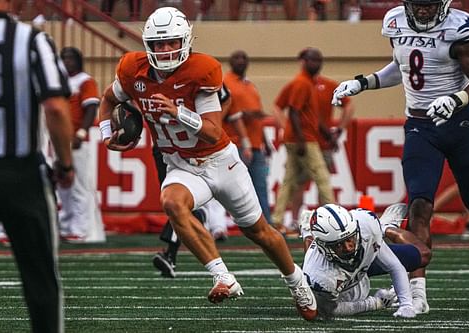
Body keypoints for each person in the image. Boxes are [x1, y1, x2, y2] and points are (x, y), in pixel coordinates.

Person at [98, 7, 317, 320]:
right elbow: (108, 99)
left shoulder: (201, 69)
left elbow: (214, 129)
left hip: (220, 161)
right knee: (171, 203)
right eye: (157, 44)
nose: (164, 50)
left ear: (185, 40)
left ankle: (296, 281)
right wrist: (107, 132)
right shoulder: (134, 69)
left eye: (170, 42)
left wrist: (177, 113)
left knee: (260, 232)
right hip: (181, 165)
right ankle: (223, 276)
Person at [332, 0, 469, 314]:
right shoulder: (396, 22)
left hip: (461, 124)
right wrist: (362, 83)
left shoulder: (458, 29)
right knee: (419, 205)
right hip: (420, 127)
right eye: (417, 5)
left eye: (428, 5)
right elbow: (402, 68)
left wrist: (457, 98)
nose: (423, 11)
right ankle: (417, 295)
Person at [0, 1, 73, 332]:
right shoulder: (29, 39)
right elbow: (56, 106)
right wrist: (65, 164)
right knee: (40, 280)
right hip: (21, 174)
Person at [153, 85, 232, 278]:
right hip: (164, 146)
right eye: (159, 51)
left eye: (168, 51)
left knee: (178, 204)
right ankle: (199, 219)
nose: (164, 53)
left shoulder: (199, 74)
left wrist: (210, 125)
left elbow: (226, 97)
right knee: (172, 201)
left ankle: (171, 254)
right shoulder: (147, 76)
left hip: (192, 147)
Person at [273, 48, 354, 232]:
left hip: (302, 137)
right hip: (305, 139)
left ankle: (277, 220)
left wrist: (328, 134)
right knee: (322, 178)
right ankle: (337, 220)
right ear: (303, 61)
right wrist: (300, 139)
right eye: (312, 60)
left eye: (319, 60)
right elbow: (294, 111)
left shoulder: (308, 82)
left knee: (290, 180)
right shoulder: (302, 83)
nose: (316, 64)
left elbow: (312, 117)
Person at [299, 203, 428, 319]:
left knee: (422, 255)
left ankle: (386, 227)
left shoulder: (366, 225)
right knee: (321, 305)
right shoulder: (319, 276)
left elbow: (394, 266)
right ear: (324, 246)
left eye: (350, 239)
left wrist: (406, 305)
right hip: (338, 276)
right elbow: (329, 309)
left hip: (362, 262)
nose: (349, 247)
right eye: (339, 244)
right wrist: (375, 303)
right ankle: (307, 232)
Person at [57, 47, 105, 243]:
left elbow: (91, 107)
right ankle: (68, 226)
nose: (67, 62)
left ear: (79, 60)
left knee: (80, 185)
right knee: (62, 186)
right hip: (59, 140)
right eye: (64, 58)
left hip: (76, 139)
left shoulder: (85, 80)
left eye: (71, 58)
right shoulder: (59, 82)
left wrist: (81, 132)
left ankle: (82, 228)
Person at [223, 50, 273, 225]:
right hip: (235, 142)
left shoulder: (250, 85)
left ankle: (266, 224)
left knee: (260, 187)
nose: (241, 61)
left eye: (244, 58)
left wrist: (266, 142)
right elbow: (228, 113)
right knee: (231, 187)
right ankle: (220, 223)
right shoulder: (225, 83)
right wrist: (247, 113)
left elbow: (258, 118)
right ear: (230, 62)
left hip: (256, 144)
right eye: (237, 57)